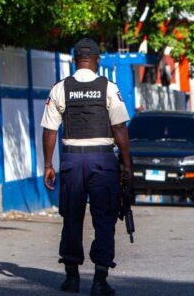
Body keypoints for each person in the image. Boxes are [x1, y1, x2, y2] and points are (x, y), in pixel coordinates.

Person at [41, 38, 132, 295]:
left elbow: (49, 130)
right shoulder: (108, 88)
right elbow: (119, 129)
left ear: (74, 60)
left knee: (72, 217)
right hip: (102, 161)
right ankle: (99, 280)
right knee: (104, 218)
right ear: (97, 60)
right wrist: (127, 165)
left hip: (71, 161)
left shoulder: (60, 88)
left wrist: (49, 164)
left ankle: (71, 278)